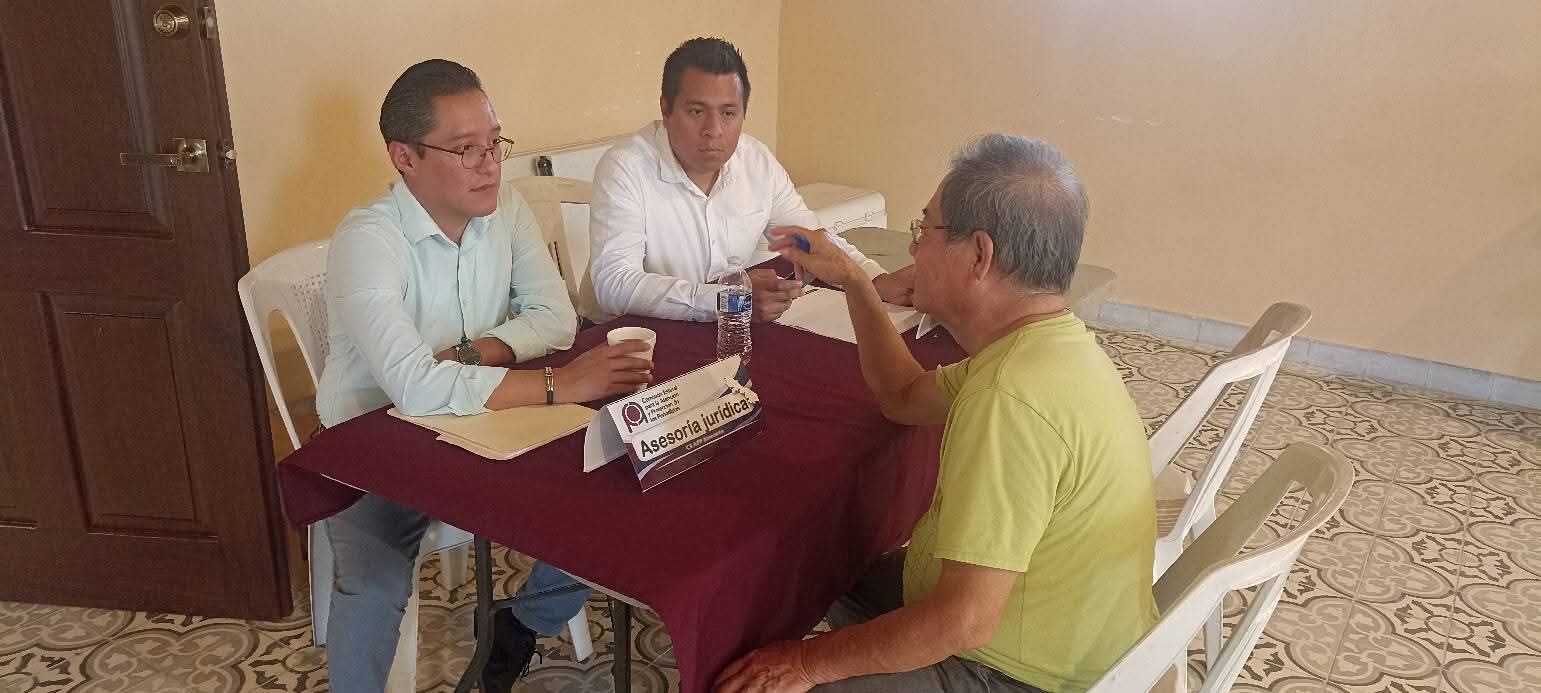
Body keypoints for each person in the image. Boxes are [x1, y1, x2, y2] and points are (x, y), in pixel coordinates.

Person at [715, 134, 1157, 693]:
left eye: (924, 230)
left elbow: (962, 622)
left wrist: (805, 663)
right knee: (826, 563)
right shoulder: (1045, 348)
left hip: (1019, 673)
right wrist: (855, 282)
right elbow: (902, 396)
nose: (913, 247)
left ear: (979, 256)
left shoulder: (1010, 400)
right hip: (1047, 627)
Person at [315, 59, 651, 693]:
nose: (490, 165)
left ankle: (522, 624)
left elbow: (556, 320)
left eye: (495, 143)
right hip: (377, 440)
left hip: (484, 419)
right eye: (465, 149)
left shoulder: (507, 210)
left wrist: (473, 353)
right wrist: (558, 385)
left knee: (610, 481)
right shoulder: (369, 238)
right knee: (374, 581)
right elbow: (415, 387)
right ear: (405, 157)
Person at [585, 37, 914, 323]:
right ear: (666, 110)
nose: (714, 130)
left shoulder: (756, 161)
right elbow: (614, 285)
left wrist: (873, 280)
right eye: (697, 111)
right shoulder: (626, 167)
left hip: (722, 328)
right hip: (628, 337)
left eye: (728, 113)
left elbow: (809, 240)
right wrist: (730, 301)